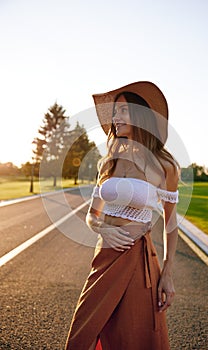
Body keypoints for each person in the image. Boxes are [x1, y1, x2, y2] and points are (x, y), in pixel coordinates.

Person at [65, 81, 179, 350]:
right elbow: (92, 216)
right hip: (104, 257)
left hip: (139, 263)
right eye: (114, 112)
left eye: (123, 111)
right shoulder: (108, 162)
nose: (115, 118)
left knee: (133, 336)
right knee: (83, 333)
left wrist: (168, 273)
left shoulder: (164, 165)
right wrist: (103, 230)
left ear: (140, 116)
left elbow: (171, 223)